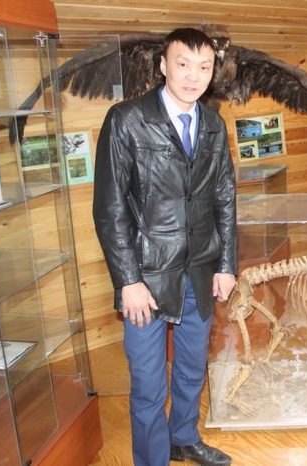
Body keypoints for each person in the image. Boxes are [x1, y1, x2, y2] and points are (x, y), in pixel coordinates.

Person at [93, 28, 237, 465]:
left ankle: (183, 438)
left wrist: (226, 264)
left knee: (192, 368)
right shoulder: (126, 119)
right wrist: (128, 281)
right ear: (163, 66)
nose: (193, 76)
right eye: (183, 64)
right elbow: (110, 208)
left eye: (204, 67)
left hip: (201, 270)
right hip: (147, 278)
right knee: (148, 385)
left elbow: (224, 197)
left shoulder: (213, 124)